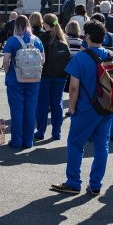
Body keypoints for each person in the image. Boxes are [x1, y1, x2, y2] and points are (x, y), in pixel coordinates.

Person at [49, 20, 113, 195]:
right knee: (102, 146)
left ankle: (73, 182)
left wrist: (71, 108)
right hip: (107, 107)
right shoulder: (112, 56)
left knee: (75, 144)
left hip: (86, 108)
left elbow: (73, 87)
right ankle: (95, 185)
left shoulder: (80, 58)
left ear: (87, 36)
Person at [1, 15, 45, 149]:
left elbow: (5, 61)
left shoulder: (12, 41)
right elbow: (43, 60)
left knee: (17, 111)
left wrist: (8, 72)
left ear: (16, 26)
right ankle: (28, 141)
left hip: (16, 80)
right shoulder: (37, 40)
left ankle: (17, 141)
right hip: (33, 80)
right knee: (30, 111)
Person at [35, 13, 70, 142]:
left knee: (43, 104)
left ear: (45, 24)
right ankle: (56, 132)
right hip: (60, 76)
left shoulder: (41, 38)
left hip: (45, 75)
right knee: (57, 104)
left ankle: (41, 131)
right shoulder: (63, 38)